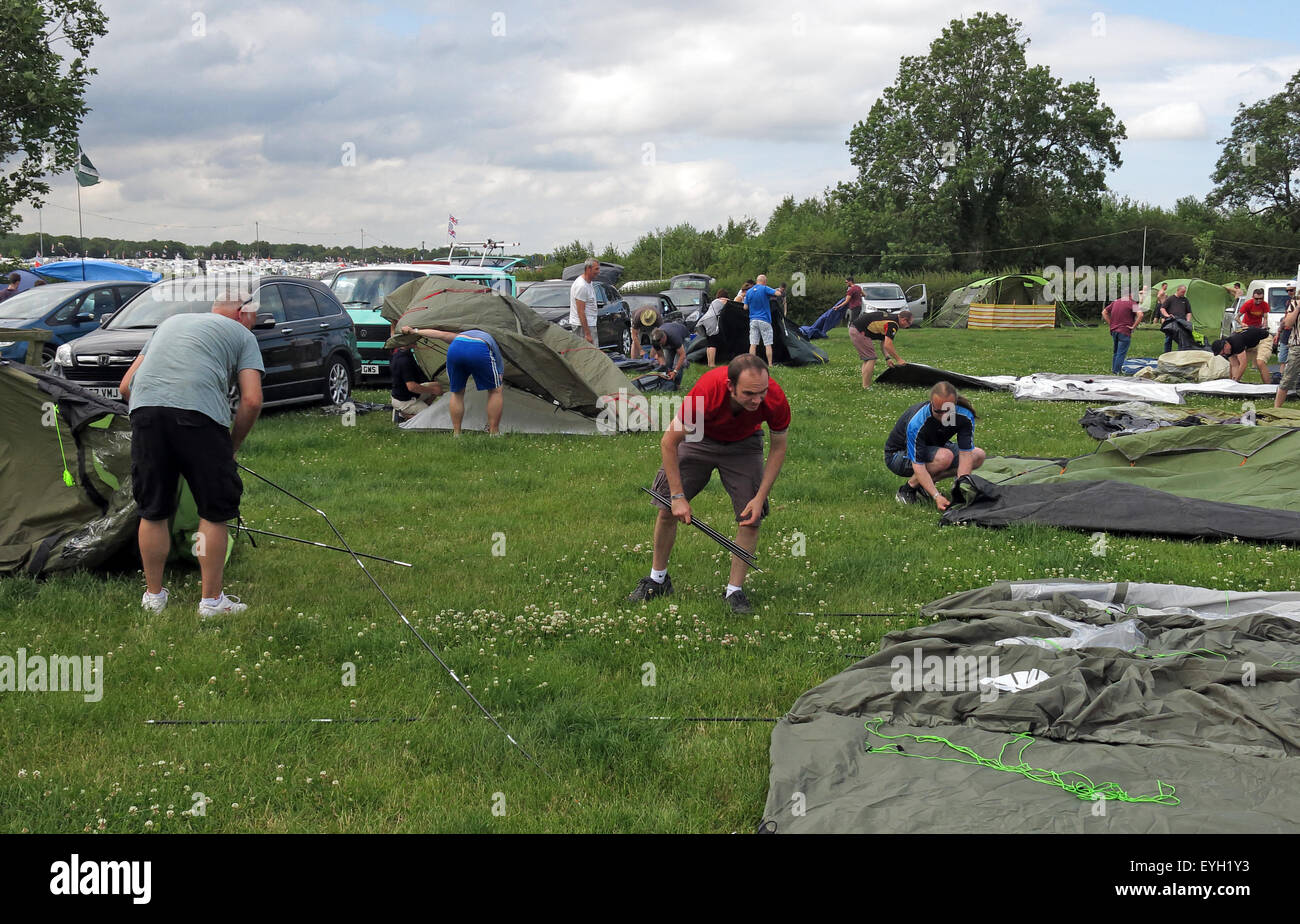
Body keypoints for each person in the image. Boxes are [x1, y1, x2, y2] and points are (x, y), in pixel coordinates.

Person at [117, 298, 265, 618]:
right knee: (214, 510)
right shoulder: (243, 335)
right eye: (255, 313)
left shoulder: (169, 324)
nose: (256, 320)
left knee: (153, 508)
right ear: (242, 312)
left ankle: (153, 597)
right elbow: (252, 400)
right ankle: (211, 602)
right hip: (200, 417)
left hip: (146, 413)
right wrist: (232, 445)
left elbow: (126, 385)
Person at [627, 354, 789, 614]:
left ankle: (734, 592)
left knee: (750, 516)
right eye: (749, 393)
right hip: (699, 436)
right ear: (730, 387)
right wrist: (678, 496)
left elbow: (779, 448)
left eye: (762, 392)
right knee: (667, 508)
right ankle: (657, 580)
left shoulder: (774, 398)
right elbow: (669, 442)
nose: (758, 400)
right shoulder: (706, 391)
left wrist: (759, 497)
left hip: (744, 444)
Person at [884, 381, 986, 510]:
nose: (944, 416)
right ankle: (907, 490)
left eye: (948, 411)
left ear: (954, 404)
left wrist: (961, 489)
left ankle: (925, 486)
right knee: (945, 457)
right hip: (898, 455)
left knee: (978, 455)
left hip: (933, 448)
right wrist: (936, 496)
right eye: (938, 411)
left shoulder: (964, 415)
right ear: (931, 403)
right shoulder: (918, 421)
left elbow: (965, 454)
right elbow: (918, 465)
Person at [399, 326, 505, 434]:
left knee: (457, 393)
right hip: (480, 348)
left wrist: (414, 331)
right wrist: (499, 374)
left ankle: (456, 433)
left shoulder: (459, 336)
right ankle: (494, 432)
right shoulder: (489, 338)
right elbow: (499, 367)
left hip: (455, 349)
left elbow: (439, 334)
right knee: (495, 391)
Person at [848, 307, 912, 388]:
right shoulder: (893, 324)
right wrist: (899, 359)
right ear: (904, 320)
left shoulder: (892, 319)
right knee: (871, 358)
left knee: (868, 359)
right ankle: (866, 386)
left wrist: (887, 358)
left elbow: (884, 342)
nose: (908, 326)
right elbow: (888, 345)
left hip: (855, 329)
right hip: (859, 331)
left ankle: (865, 384)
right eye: (909, 323)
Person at [390, 344, 443, 422]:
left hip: (410, 394)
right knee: (434, 418)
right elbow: (411, 387)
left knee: (437, 386)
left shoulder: (402, 352)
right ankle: (404, 415)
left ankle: (421, 408)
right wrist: (432, 390)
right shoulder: (403, 361)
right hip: (405, 401)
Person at [743, 274, 780, 365]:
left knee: (753, 344)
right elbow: (778, 294)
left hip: (753, 320)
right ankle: (770, 364)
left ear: (757, 281)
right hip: (764, 320)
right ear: (765, 281)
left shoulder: (749, 292)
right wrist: (777, 290)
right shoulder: (765, 288)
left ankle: (752, 364)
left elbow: (745, 307)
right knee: (767, 344)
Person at [1102, 290, 1142, 374]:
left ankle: (1114, 369)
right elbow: (1140, 314)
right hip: (1124, 330)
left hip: (1114, 330)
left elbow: (1104, 312)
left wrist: (1111, 323)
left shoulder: (1115, 302)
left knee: (1116, 352)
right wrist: (1133, 326)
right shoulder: (1132, 303)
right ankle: (1117, 371)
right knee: (1121, 352)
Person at [648, 320, 690, 389]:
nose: (660, 345)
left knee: (677, 364)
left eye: (661, 343)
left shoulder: (674, 337)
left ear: (664, 337)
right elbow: (660, 356)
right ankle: (669, 384)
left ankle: (677, 386)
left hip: (684, 337)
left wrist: (675, 371)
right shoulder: (655, 340)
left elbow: (682, 355)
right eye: (659, 344)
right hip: (671, 341)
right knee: (667, 364)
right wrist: (663, 367)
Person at [569, 257, 600, 344]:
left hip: (590, 324)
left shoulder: (589, 283)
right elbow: (580, 311)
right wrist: (587, 334)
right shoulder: (581, 286)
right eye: (596, 269)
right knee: (589, 354)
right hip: (582, 327)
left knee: (594, 353)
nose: (598, 272)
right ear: (588, 269)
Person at [1274, 296, 1299, 407]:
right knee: (1287, 380)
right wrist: (1298, 308)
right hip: (1297, 345)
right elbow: (1288, 324)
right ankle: (1276, 410)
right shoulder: (1294, 303)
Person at [696, 288, 729, 367]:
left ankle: (709, 363)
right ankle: (712, 364)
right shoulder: (723, 300)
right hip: (711, 322)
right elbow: (728, 303)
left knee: (709, 343)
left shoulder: (714, 302)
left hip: (704, 321)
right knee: (713, 343)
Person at [1159, 285, 1191, 353]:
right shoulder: (1170, 298)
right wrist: (1167, 316)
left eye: (1184, 292)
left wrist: (1188, 321)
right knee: (1168, 339)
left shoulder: (1185, 300)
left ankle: (1180, 354)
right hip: (1172, 322)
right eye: (1182, 292)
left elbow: (1188, 312)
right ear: (1178, 290)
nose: (1183, 293)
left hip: (1182, 322)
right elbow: (1162, 308)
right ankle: (1166, 354)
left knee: (1182, 340)